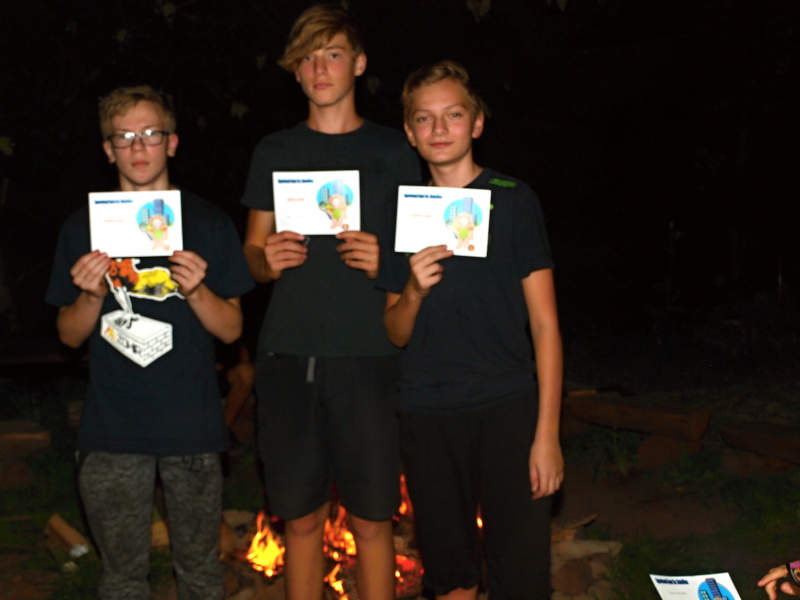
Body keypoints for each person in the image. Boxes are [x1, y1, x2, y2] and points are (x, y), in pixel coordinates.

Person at [45, 85, 254, 600]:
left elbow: (231, 330)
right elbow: (68, 335)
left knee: (200, 576)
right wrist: (91, 295)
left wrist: (197, 289)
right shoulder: (81, 228)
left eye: (151, 134)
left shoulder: (208, 223)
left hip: (193, 428)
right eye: (124, 136)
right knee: (122, 579)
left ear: (172, 142)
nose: (138, 147)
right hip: (112, 429)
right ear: (108, 149)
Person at [240, 5, 420, 600]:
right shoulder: (274, 150)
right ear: (295, 71)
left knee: (372, 521)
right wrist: (267, 258)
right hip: (288, 355)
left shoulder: (394, 151)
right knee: (300, 521)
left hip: (370, 355)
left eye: (334, 54)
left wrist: (384, 259)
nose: (320, 69)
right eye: (308, 58)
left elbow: (421, 258)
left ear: (359, 64)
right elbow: (251, 256)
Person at [378, 60, 564, 600]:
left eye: (453, 115)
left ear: (477, 123)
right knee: (451, 577)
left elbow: (545, 324)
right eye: (424, 118)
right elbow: (394, 332)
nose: (439, 129)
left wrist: (547, 434)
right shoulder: (402, 211)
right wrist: (413, 290)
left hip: (508, 409)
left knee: (521, 577)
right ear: (410, 132)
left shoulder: (514, 199)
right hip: (428, 412)